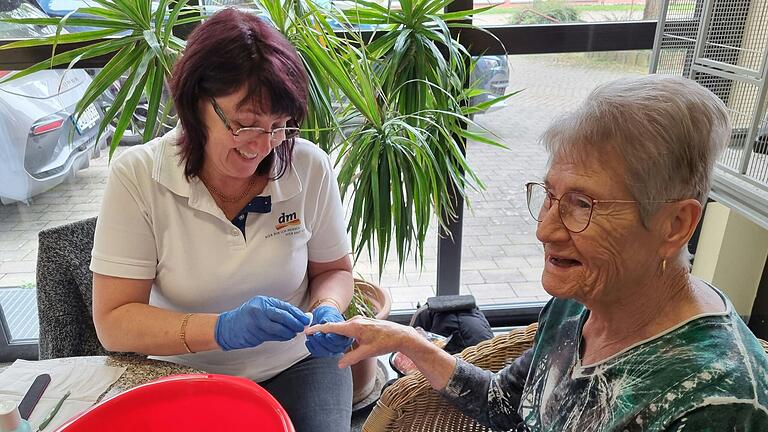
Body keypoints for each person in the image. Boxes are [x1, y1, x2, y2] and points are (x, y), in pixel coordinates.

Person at [308, 75, 768, 431]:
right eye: (550, 195)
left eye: (582, 205)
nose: (545, 230)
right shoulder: (577, 303)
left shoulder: (721, 399)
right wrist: (406, 340)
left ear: (675, 224)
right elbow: (509, 405)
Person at [90, 9, 354, 431]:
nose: (262, 146)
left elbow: (334, 270)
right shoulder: (138, 176)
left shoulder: (307, 167)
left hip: (295, 364)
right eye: (245, 124)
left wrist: (328, 309)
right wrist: (221, 329)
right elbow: (114, 321)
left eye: (279, 126)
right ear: (196, 104)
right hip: (181, 370)